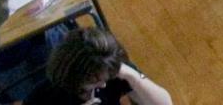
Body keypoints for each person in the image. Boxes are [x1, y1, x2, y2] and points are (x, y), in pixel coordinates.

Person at [21, 27, 174, 105]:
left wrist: (133, 77)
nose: (103, 83)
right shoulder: (45, 96)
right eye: (95, 80)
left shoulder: (110, 70)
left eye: (106, 77)